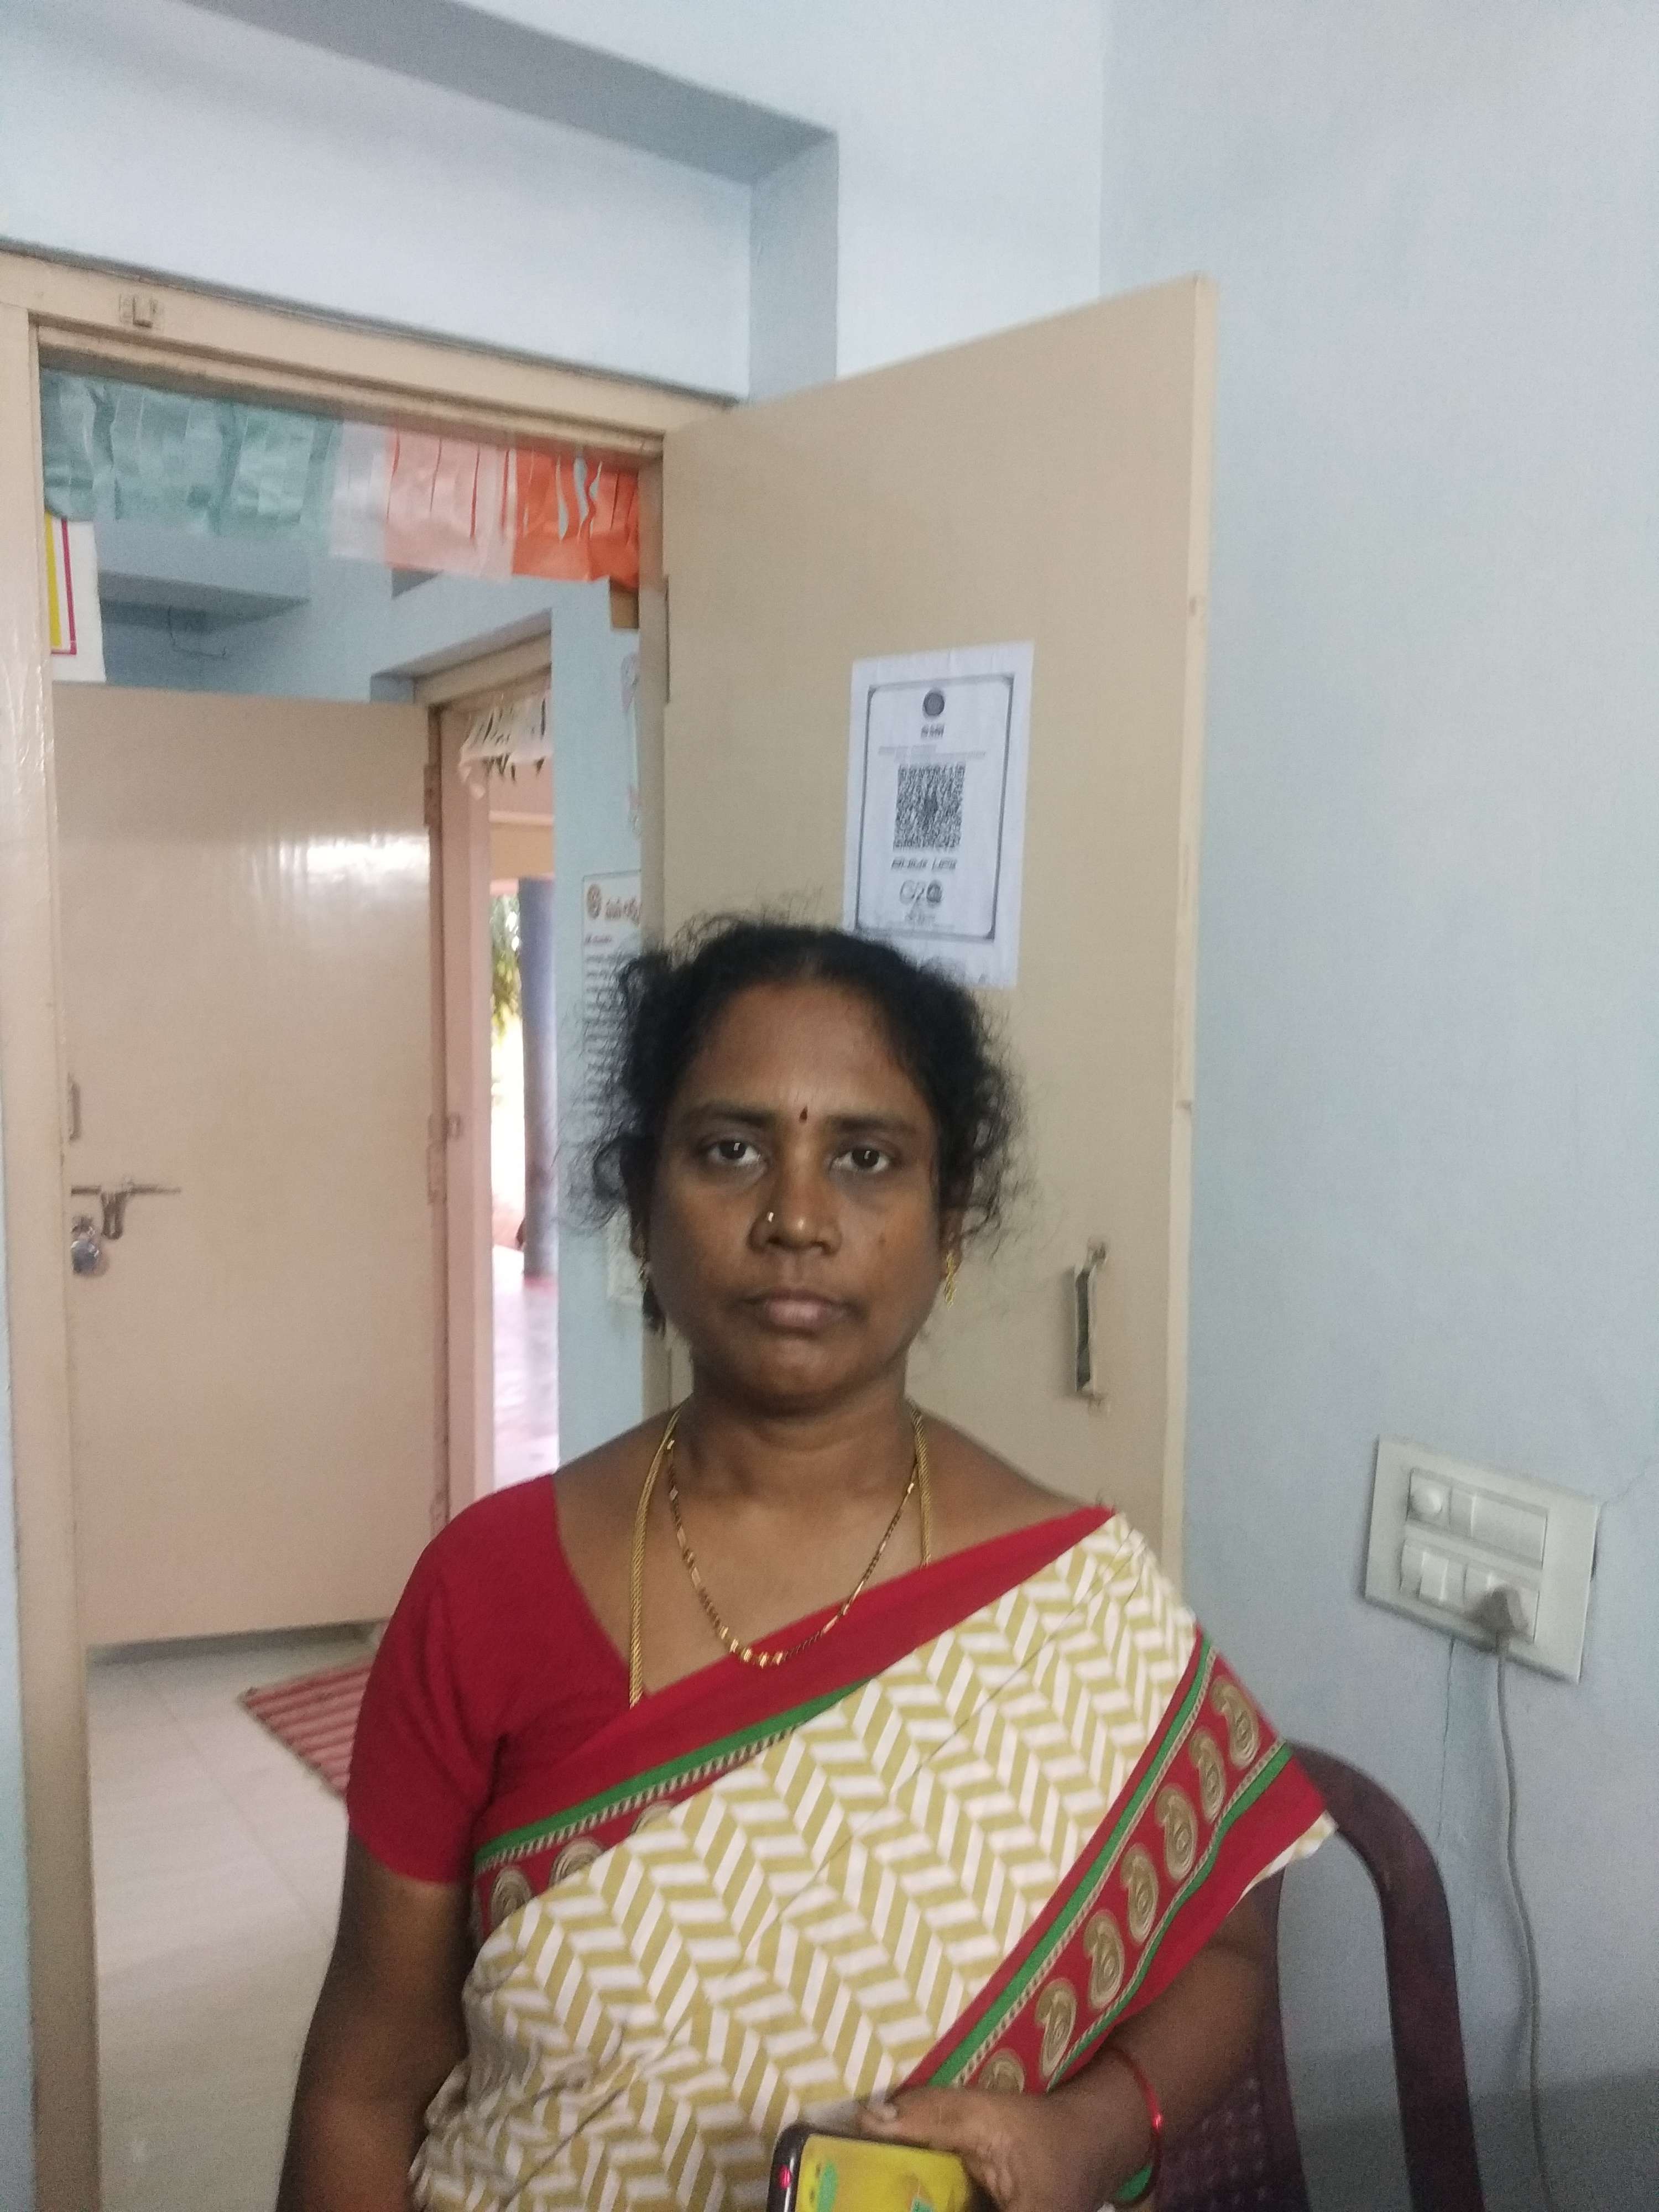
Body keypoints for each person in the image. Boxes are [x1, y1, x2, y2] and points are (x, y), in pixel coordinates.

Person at [278, 917, 1331, 2212]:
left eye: (866, 1157)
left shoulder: (1072, 1593)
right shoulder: (484, 1591)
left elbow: (1230, 1943)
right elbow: (363, 2088)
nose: (795, 1217)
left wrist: (1093, 2131)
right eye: (731, 1149)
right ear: (644, 1203)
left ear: (950, 1219)